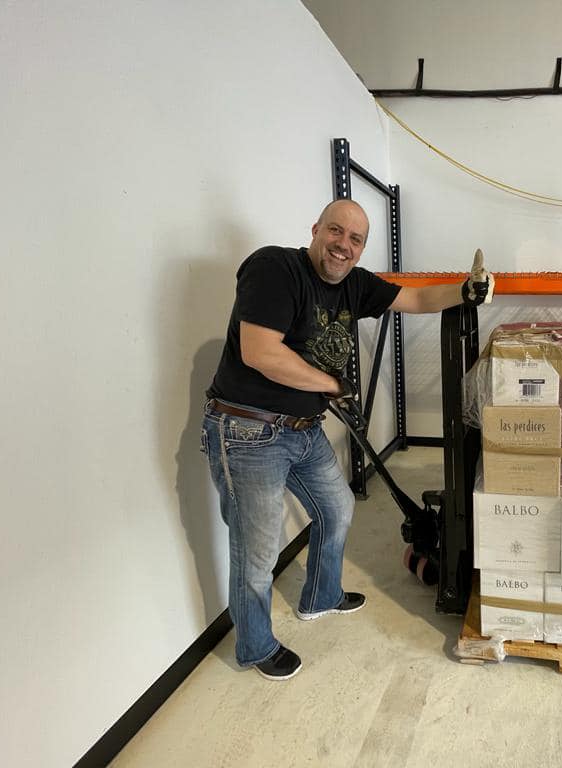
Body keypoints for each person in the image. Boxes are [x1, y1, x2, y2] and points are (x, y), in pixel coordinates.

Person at [201, 198, 493, 681]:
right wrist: (334, 385)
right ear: (316, 229)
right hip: (247, 430)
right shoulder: (275, 268)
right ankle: (254, 646)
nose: (343, 245)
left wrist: (466, 290)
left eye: (355, 239)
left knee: (336, 507)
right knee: (256, 550)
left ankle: (321, 595)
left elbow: (416, 300)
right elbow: (259, 352)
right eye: (336, 232)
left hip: (301, 429)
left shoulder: (355, 285)